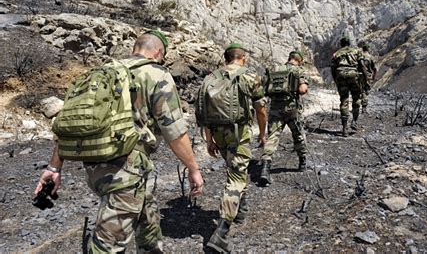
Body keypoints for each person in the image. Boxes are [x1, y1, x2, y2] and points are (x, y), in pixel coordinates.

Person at [35, 30, 204, 253]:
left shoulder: (101, 71)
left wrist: (54, 167)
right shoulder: (156, 74)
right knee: (107, 247)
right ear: (158, 52)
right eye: (163, 57)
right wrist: (193, 168)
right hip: (125, 172)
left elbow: (71, 123)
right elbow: (175, 132)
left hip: (96, 165)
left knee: (148, 218)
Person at [200, 43, 267, 253]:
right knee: (236, 178)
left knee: (236, 169)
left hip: (217, 133)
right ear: (243, 58)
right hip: (238, 133)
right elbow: (261, 109)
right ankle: (221, 231)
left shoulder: (210, 78)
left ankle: (241, 209)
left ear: (225, 58)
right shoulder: (249, 76)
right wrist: (263, 133)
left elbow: (203, 115)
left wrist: (209, 140)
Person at [260, 51, 309, 186]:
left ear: (289, 58)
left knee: (272, 137)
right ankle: (302, 162)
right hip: (292, 109)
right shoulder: (299, 70)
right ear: (299, 61)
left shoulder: (275, 69)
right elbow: (303, 89)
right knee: (298, 135)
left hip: (275, 109)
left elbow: (264, 88)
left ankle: (265, 168)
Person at [331, 35, 364, 137]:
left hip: (341, 75)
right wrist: (365, 80)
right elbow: (362, 65)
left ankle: (344, 128)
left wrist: (336, 80)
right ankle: (354, 121)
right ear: (349, 43)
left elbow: (332, 68)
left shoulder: (336, 54)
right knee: (356, 98)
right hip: (354, 75)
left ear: (341, 44)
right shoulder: (357, 51)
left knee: (344, 100)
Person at [358, 42, 377, 113]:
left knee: (359, 90)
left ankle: (357, 106)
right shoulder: (370, 57)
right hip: (367, 76)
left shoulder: (359, 56)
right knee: (365, 92)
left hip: (359, 75)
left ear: (362, 49)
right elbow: (374, 69)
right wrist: (373, 77)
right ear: (368, 49)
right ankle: (364, 108)